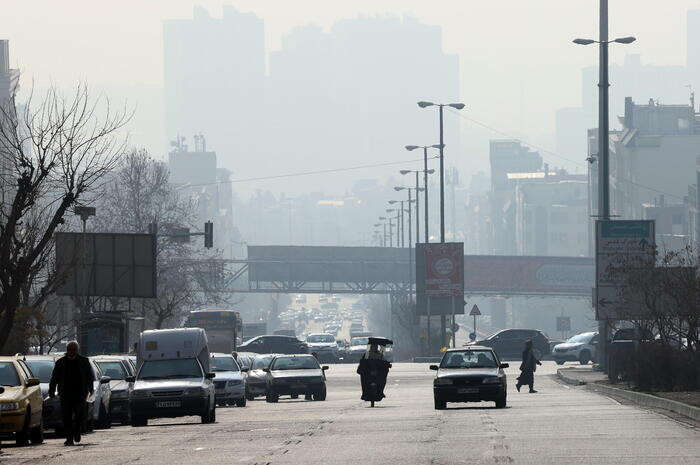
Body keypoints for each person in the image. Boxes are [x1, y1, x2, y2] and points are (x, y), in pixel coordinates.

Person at [49, 341, 95, 446]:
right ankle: (69, 438)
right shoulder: (60, 362)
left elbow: (89, 377)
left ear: (77, 350)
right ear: (67, 350)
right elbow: (54, 378)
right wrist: (52, 391)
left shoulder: (84, 361)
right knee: (66, 417)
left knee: (79, 415)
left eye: (74, 349)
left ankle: (77, 431)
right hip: (65, 394)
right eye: (70, 349)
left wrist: (90, 389)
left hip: (80, 394)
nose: (72, 351)